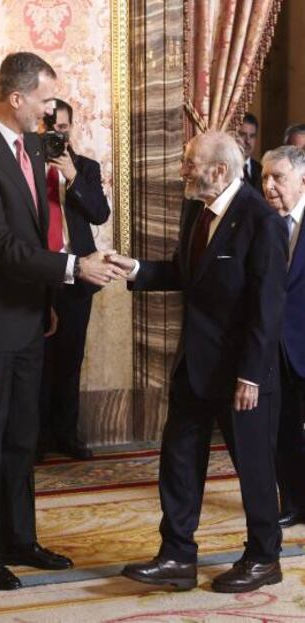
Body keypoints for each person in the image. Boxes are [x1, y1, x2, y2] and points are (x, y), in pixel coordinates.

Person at [0, 52, 123, 591]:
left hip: (27, 318)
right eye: (47, 100)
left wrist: (48, 298)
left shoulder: (27, 148)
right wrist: (73, 267)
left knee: (23, 437)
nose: (52, 111)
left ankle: (21, 539)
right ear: (16, 98)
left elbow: (34, 235)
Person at [108, 131, 288, 593]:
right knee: (180, 459)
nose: (183, 170)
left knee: (253, 468)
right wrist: (136, 270)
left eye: (189, 163)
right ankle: (176, 556)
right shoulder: (197, 209)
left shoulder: (260, 220)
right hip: (195, 364)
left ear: (219, 171)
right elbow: (183, 273)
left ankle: (265, 557)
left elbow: (266, 309)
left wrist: (251, 374)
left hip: (243, 375)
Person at [38, 99, 110, 460]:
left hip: (78, 277)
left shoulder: (85, 168)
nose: (57, 134)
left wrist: (72, 177)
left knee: (70, 359)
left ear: (71, 129)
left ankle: (66, 435)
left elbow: (99, 214)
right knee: (37, 360)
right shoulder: (25, 168)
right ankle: (38, 440)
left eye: (63, 128)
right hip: (37, 275)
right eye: (51, 128)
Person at [262, 146, 305, 528]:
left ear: (303, 181)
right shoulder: (262, 224)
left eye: (278, 177)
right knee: (283, 430)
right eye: (264, 177)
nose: (269, 186)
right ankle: (292, 501)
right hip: (275, 347)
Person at [239, 113, 263, 192]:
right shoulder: (225, 170)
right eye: (242, 135)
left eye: (252, 136)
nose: (248, 141)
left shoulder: (261, 170)